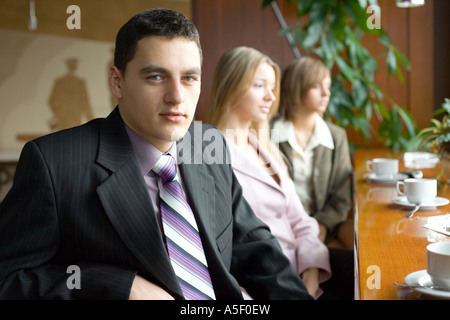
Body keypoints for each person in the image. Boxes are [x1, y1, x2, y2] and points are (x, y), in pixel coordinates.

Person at [0, 9, 312, 300]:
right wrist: (120, 285)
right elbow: (8, 280)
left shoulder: (207, 143)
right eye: (156, 77)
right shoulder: (54, 163)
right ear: (117, 82)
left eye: (189, 78)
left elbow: (256, 248)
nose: (177, 96)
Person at [205, 46, 353, 299]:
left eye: (272, 88)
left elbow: (300, 219)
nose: (271, 97)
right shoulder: (209, 151)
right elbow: (221, 250)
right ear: (232, 84)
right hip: (265, 279)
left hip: (302, 266)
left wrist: (312, 271)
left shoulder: (264, 146)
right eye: (259, 86)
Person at [272, 57, 354, 249]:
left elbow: (341, 199)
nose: (326, 93)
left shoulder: (336, 136)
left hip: (324, 226)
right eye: (317, 87)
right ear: (296, 88)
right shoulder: (268, 133)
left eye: (328, 86)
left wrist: (322, 226)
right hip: (280, 228)